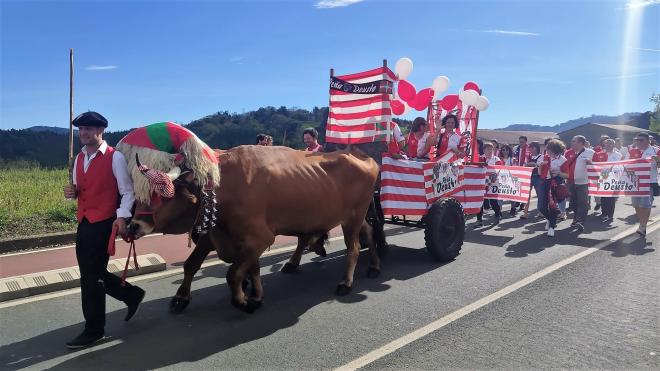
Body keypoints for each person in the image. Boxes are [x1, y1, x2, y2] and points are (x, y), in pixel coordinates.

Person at [62, 111, 145, 349]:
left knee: (91, 277)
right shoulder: (79, 159)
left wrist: (121, 218)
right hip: (85, 221)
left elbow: (127, 191)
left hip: (105, 223)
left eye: (88, 128)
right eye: (81, 129)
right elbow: (81, 189)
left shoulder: (114, 157)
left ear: (101, 131)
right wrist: (72, 193)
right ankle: (131, 295)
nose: (83, 133)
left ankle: (94, 329)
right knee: (91, 273)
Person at [626, 132, 660, 236]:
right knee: (636, 204)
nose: (638, 142)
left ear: (648, 141)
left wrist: (658, 160)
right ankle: (642, 222)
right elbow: (625, 164)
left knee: (645, 205)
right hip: (635, 182)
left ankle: (643, 226)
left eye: (641, 140)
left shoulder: (656, 150)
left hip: (649, 181)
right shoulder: (632, 151)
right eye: (637, 140)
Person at [537, 139, 568, 237]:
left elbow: (567, 175)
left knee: (552, 206)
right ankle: (551, 219)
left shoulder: (563, 160)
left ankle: (552, 227)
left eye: (548, 149)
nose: (546, 151)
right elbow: (539, 173)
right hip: (544, 182)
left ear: (554, 149)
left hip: (555, 183)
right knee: (541, 207)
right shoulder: (544, 157)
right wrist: (540, 167)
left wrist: (558, 172)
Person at [566, 135, 595, 232]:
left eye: (574, 141)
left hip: (583, 182)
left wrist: (590, 163)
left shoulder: (590, 152)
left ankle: (580, 221)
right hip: (571, 182)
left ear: (581, 143)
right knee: (573, 202)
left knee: (582, 202)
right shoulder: (568, 152)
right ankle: (576, 217)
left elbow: (596, 166)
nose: (571, 143)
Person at [475, 142, 503, 227]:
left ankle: (497, 214)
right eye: (488, 149)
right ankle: (479, 220)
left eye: (491, 149)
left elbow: (500, 170)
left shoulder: (496, 159)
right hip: (482, 183)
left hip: (493, 183)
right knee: (479, 202)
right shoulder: (480, 158)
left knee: (493, 202)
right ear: (484, 150)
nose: (490, 151)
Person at [594, 139, 622, 223]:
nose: (608, 145)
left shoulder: (618, 155)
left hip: (613, 178)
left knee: (611, 198)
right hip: (602, 176)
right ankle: (604, 213)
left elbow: (621, 166)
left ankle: (610, 215)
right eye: (607, 144)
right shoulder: (599, 154)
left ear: (614, 145)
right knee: (603, 197)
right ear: (604, 145)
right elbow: (595, 165)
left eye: (610, 144)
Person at [521, 141, 543, 219]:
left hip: (538, 177)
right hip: (529, 176)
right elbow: (525, 165)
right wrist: (531, 164)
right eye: (529, 147)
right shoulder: (528, 156)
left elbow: (538, 165)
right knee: (527, 195)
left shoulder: (541, 156)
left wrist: (530, 164)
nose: (529, 149)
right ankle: (525, 212)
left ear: (536, 148)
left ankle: (541, 212)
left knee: (540, 195)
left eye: (531, 147)